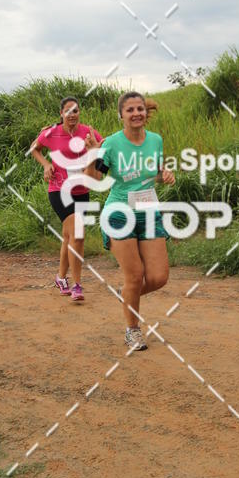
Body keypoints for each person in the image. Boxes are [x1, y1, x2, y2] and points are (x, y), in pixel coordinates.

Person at [85, 91, 175, 351]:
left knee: (159, 277)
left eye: (140, 109)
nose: (136, 113)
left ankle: (126, 294)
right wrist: (93, 155)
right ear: (121, 115)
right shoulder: (112, 144)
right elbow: (94, 180)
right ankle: (132, 331)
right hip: (118, 213)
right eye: (130, 110)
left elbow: (152, 172)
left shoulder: (155, 140)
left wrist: (164, 174)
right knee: (135, 276)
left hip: (148, 212)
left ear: (145, 112)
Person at [30, 96, 102, 302]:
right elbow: (34, 148)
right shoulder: (51, 133)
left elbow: (102, 148)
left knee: (69, 236)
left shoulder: (88, 132)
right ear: (61, 113)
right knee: (78, 235)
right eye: (68, 111)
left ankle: (61, 278)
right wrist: (46, 164)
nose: (72, 115)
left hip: (81, 191)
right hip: (59, 190)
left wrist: (95, 153)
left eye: (75, 111)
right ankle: (77, 285)